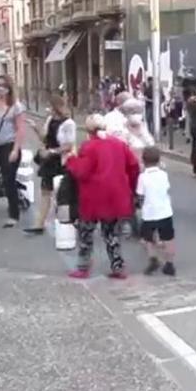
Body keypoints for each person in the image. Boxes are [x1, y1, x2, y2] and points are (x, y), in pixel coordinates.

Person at [66, 114, 140, 279]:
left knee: (86, 234)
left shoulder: (88, 147)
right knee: (112, 234)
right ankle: (118, 267)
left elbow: (82, 172)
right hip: (115, 196)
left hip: (93, 198)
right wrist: (131, 186)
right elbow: (134, 166)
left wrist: (71, 160)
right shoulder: (119, 144)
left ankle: (83, 267)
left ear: (88, 130)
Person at [24, 95, 77, 235]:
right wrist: (35, 128)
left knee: (63, 192)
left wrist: (52, 151)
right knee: (45, 191)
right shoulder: (50, 120)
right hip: (49, 161)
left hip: (62, 161)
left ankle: (68, 221)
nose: (49, 110)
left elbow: (69, 145)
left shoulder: (69, 123)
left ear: (57, 107)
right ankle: (39, 223)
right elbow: (44, 138)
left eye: (51, 107)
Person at [0, 76, 27, 228]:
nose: (0, 88)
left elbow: (21, 129)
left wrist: (15, 150)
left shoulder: (15, 106)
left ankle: (13, 214)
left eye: (3, 86)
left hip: (8, 145)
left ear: (9, 88)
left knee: (8, 180)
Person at [136, 147, 177, 276]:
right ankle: (169, 264)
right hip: (165, 212)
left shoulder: (142, 177)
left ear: (143, 161)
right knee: (168, 239)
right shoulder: (163, 174)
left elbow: (140, 195)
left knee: (148, 239)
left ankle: (153, 260)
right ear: (159, 160)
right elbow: (167, 188)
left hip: (149, 213)